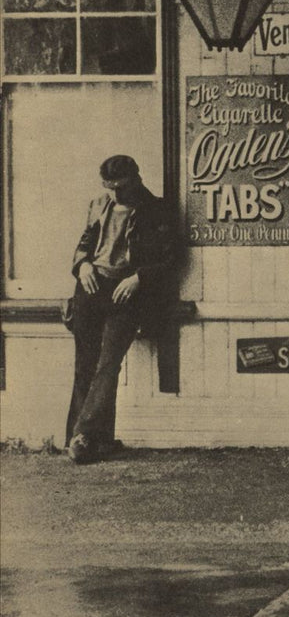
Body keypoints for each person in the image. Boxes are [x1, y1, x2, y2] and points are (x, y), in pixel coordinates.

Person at [65, 155, 176, 464]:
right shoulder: (99, 204)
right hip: (90, 288)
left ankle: (82, 436)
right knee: (84, 364)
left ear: (136, 179)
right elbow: (83, 244)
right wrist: (82, 264)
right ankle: (93, 441)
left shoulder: (156, 209)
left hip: (126, 294)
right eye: (108, 187)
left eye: (121, 188)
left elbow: (170, 258)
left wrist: (138, 278)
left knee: (108, 363)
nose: (115, 194)